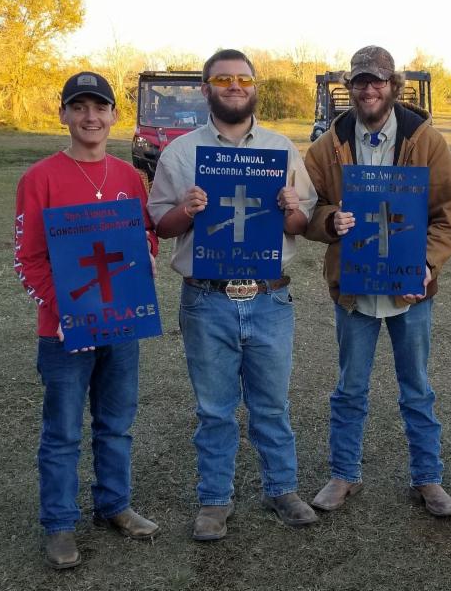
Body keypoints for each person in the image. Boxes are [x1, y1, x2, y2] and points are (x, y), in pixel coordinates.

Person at [147, 49, 318, 540]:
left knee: (272, 404)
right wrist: (186, 209)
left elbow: (300, 224)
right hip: (208, 299)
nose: (235, 86)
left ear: (254, 86)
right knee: (214, 409)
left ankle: (282, 488)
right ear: (206, 89)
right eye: (223, 79)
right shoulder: (181, 153)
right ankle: (214, 500)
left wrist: (290, 207)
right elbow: (162, 225)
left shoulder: (281, 149)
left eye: (244, 78)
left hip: (269, 298)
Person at [304, 46, 451, 516]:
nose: (369, 89)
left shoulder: (426, 141)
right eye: (360, 81)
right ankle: (344, 474)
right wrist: (330, 220)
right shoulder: (327, 145)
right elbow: (306, 209)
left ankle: (428, 479)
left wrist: (426, 264)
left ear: (394, 86)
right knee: (350, 388)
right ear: (349, 87)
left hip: (409, 292)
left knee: (416, 388)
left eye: (378, 81)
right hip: (354, 291)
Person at [14, 72, 160, 569]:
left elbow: (145, 234)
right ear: (63, 115)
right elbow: (28, 259)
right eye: (79, 107)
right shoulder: (40, 178)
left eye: (99, 107)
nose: (90, 117)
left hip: (120, 324)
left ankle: (114, 505)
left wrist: (147, 251)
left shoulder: (128, 177)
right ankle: (59, 524)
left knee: (116, 424)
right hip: (64, 333)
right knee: (62, 433)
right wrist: (66, 314)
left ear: (114, 115)